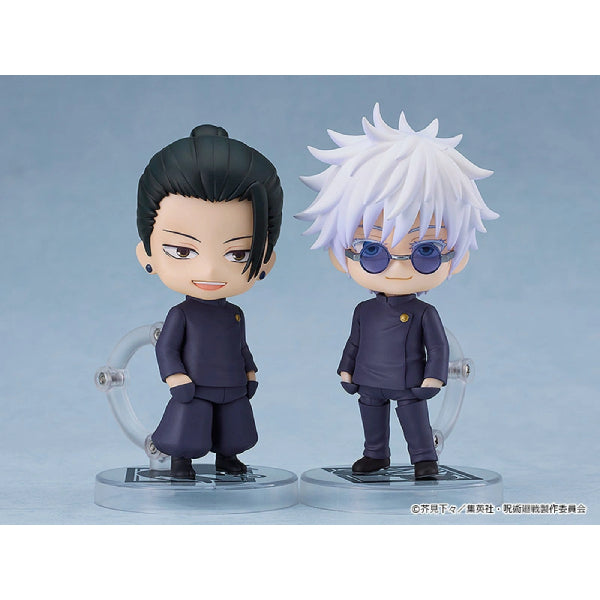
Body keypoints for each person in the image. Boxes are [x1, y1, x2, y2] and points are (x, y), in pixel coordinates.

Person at [296, 104, 498, 478]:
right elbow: (354, 342)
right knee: (372, 417)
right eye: (372, 252)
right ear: (341, 255)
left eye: (426, 252)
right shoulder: (364, 310)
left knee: (413, 418)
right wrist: (346, 369)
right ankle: (375, 455)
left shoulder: (425, 313)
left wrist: (434, 377)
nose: (399, 268)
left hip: (409, 382)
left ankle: (424, 458)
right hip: (369, 379)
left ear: (457, 256)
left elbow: (438, 347)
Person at [136, 124, 283, 478]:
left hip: (232, 383)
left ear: (265, 261)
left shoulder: (235, 314)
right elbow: (167, 348)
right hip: (194, 386)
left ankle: (228, 459)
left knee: (235, 427)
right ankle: (181, 462)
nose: (210, 269)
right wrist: (174, 377)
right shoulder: (181, 314)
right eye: (182, 251)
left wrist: (249, 370)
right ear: (147, 255)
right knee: (188, 426)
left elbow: (241, 345)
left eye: (238, 254)